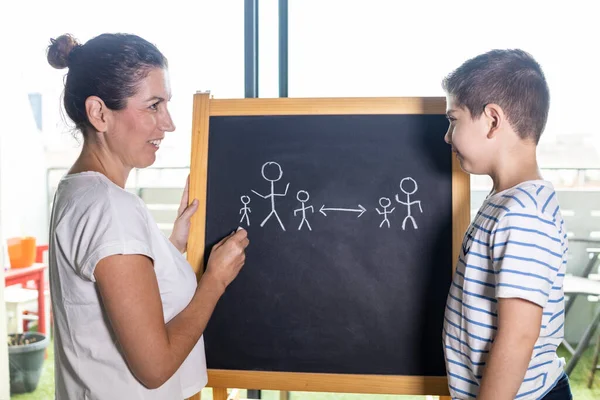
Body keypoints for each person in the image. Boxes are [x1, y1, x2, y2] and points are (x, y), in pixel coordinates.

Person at [46, 33, 249, 399]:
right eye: (153, 105)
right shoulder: (111, 207)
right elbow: (154, 368)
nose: (168, 123)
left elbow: (115, 293)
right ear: (99, 113)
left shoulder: (76, 192)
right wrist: (215, 280)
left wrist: (172, 246)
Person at [442, 49, 572, 399]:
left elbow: (518, 336)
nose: (447, 136)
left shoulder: (524, 214)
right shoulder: (507, 202)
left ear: (492, 120)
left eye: (454, 120)